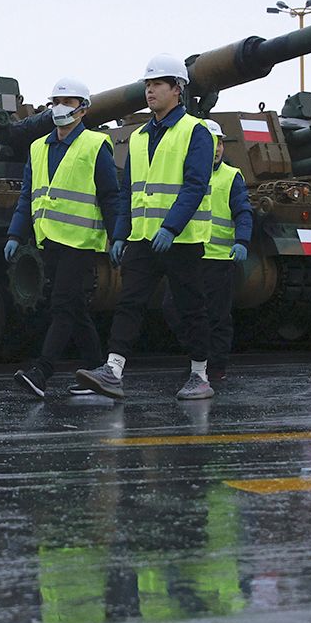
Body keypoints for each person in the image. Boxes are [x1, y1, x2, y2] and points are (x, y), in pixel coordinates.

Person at [74, 55, 217, 401]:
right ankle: (113, 369)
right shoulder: (137, 137)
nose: (150, 91)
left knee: (190, 307)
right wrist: (120, 233)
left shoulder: (195, 132)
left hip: (180, 240)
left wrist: (171, 227)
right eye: (148, 85)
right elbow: (128, 189)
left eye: (157, 85)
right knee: (129, 303)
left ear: (177, 90)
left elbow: (195, 185)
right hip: (141, 238)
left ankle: (200, 375)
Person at [6, 77, 124, 397]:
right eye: (56, 101)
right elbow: (27, 196)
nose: (60, 108)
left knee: (61, 304)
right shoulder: (38, 147)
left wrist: (116, 237)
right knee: (75, 307)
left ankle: (42, 371)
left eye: (69, 102)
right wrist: (16, 233)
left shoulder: (95, 145)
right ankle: (97, 372)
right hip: (50, 241)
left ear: (83, 109)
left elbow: (110, 196)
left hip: (81, 240)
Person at [194, 119, 253, 383]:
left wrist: (242, 240)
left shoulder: (232, 176)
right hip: (190, 255)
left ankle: (215, 367)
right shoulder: (187, 172)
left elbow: (242, 211)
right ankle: (198, 358)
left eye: (219, 143)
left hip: (219, 258)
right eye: (211, 142)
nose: (217, 148)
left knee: (218, 316)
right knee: (176, 309)